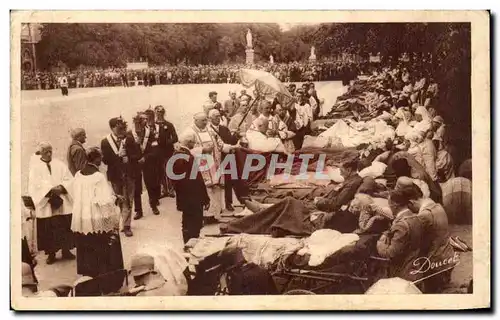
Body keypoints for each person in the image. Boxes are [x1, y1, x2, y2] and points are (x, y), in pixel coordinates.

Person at [70, 147, 124, 277]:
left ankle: (88, 272)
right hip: (96, 216)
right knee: (101, 243)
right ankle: (104, 273)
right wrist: (116, 199)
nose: (102, 160)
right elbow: (104, 200)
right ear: (96, 159)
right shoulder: (98, 176)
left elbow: (75, 194)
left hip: (83, 216)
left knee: (86, 243)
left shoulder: (78, 174)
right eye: (100, 157)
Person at [28, 142, 75, 265]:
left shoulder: (59, 164)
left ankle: (66, 250)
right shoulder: (35, 168)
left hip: (62, 200)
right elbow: (34, 186)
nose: (49, 154)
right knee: (49, 229)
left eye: (50, 151)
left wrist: (62, 187)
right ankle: (51, 253)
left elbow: (69, 179)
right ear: (41, 153)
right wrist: (49, 190)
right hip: (47, 202)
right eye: (46, 152)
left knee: (64, 225)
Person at [408, 186, 456, 293]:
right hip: (447, 256)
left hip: (435, 264)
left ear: (411, 202)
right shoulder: (436, 205)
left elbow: (414, 241)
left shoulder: (424, 215)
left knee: (433, 294)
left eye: (409, 208)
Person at [376, 186, 424, 282]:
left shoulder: (401, 225)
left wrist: (380, 243)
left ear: (395, 205)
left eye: (389, 204)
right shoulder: (416, 217)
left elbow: (389, 253)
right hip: (416, 267)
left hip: (403, 273)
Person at [180, 112, 222, 222]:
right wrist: (203, 150)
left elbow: (219, 143)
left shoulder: (210, 130)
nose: (205, 122)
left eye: (205, 120)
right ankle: (203, 216)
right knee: (204, 189)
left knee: (215, 188)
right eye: (202, 120)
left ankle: (214, 214)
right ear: (196, 121)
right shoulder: (189, 133)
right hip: (199, 166)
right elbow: (184, 149)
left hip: (212, 164)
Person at [170, 132, 210, 243]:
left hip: (185, 197)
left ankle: (188, 243)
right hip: (193, 197)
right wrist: (205, 198)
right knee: (194, 224)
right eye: (194, 142)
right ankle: (191, 245)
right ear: (190, 142)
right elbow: (197, 180)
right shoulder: (186, 156)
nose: (195, 144)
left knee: (187, 223)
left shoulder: (178, 155)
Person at [101, 117, 135, 237]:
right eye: (117, 126)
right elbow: (105, 161)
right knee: (118, 200)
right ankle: (121, 221)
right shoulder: (105, 142)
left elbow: (136, 154)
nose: (120, 129)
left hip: (128, 174)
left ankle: (127, 226)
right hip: (115, 175)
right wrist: (118, 157)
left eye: (121, 126)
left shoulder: (129, 139)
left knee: (128, 200)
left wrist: (129, 158)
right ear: (112, 128)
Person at [207, 109, 239, 212]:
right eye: (215, 116)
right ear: (210, 118)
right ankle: (218, 207)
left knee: (229, 181)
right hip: (215, 159)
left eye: (218, 116)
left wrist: (236, 135)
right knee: (216, 183)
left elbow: (231, 141)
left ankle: (228, 203)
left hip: (227, 157)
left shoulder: (224, 129)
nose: (218, 118)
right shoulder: (208, 130)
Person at [154, 105, 179, 199]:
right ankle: (164, 190)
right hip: (157, 152)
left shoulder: (168, 124)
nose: (159, 114)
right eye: (157, 112)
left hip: (168, 151)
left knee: (169, 169)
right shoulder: (152, 125)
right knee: (160, 171)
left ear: (163, 113)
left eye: (161, 112)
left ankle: (171, 189)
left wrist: (167, 143)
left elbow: (175, 137)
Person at [142, 109, 163, 215]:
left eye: (150, 116)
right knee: (149, 182)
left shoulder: (156, 127)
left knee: (157, 180)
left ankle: (156, 197)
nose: (148, 119)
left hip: (156, 159)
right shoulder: (139, 132)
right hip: (145, 162)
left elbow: (158, 144)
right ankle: (152, 202)